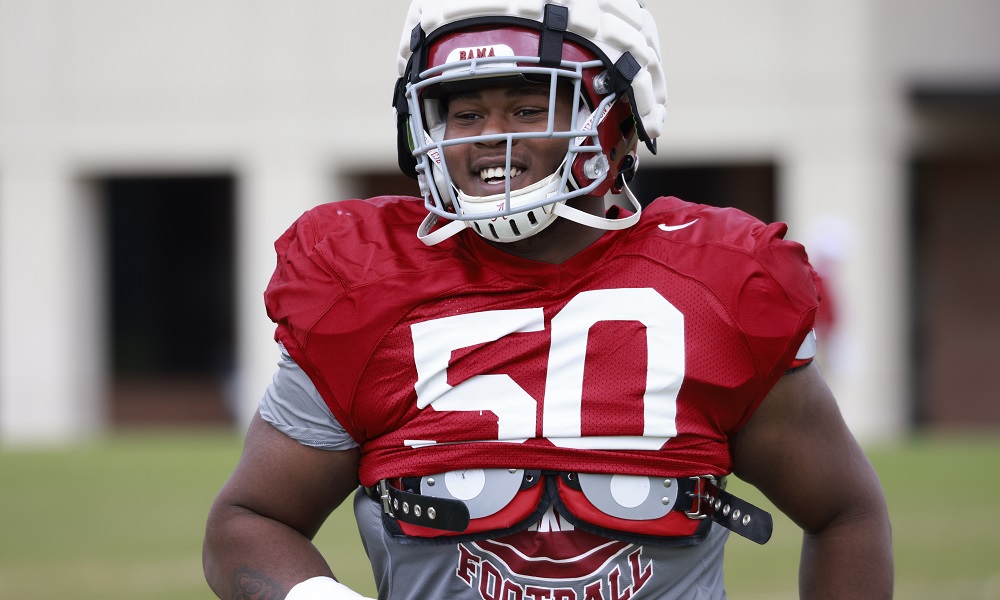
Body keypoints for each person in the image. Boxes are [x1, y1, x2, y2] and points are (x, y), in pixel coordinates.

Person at [203, 1, 894, 598]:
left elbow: (844, 512)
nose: (489, 139)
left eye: (528, 106)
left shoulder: (717, 287)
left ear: (619, 119)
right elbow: (248, 521)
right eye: (465, 111)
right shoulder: (369, 288)